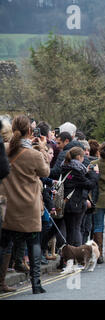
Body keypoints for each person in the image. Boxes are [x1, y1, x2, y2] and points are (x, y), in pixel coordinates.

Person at [0, 115, 50, 294]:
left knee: (5, 245)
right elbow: (45, 171)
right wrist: (43, 149)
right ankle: (36, 284)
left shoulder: (4, 148)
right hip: (29, 206)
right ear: (30, 131)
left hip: (7, 206)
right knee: (34, 243)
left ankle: (1, 283)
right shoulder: (34, 154)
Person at [60, 147, 98, 247]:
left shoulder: (65, 167)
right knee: (76, 228)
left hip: (65, 202)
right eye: (83, 157)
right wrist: (94, 173)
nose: (83, 159)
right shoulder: (77, 170)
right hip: (76, 203)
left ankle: (67, 255)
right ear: (78, 157)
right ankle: (76, 253)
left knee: (69, 229)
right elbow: (89, 184)